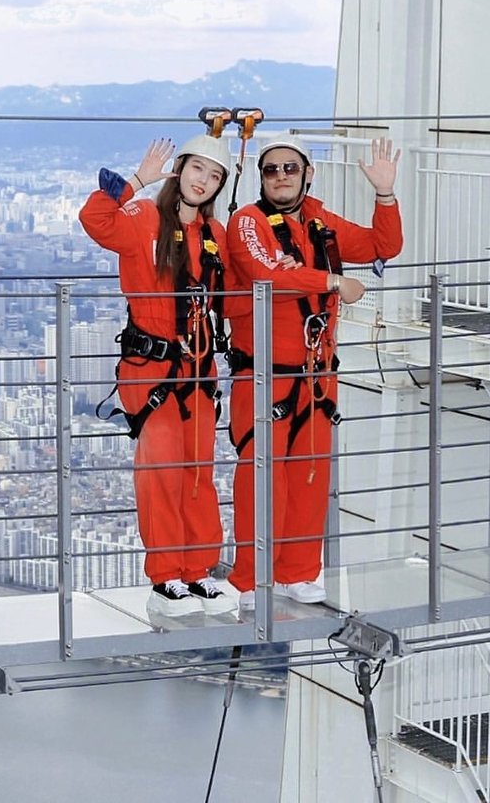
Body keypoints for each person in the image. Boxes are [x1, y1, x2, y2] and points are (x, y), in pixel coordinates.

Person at [224, 134, 403, 611]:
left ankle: (298, 572)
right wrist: (331, 280)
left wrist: (384, 194)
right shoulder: (248, 222)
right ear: (261, 179)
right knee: (262, 477)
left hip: (317, 375)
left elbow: (384, 245)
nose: (280, 176)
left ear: (308, 173)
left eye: (289, 168)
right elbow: (267, 274)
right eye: (270, 170)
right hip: (263, 374)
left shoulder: (320, 222)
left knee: (309, 475)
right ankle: (250, 577)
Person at [79, 135, 235, 617]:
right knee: (162, 472)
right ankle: (166, 576)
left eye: (214, 176)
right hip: (153, 371)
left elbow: (236, 285)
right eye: (196, 170)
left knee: (198, 474)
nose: (202, 181)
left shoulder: (215, 234)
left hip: (200, 371)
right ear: (180, 170)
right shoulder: (145, 219)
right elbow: (95, 221)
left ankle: (198, 571)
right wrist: (137, 181)